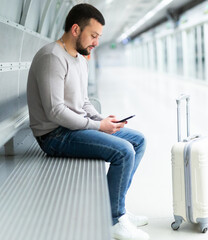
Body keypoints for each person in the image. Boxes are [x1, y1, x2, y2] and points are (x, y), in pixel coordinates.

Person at [26, 4, 149, 240]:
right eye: (93, 36)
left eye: (98, 37)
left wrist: (104, 119)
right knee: (123, 151)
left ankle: (117, 207)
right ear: (75, 29)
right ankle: (113, 219)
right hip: (54, 136)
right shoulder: (52, 57)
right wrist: (97, 126)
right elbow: (55, 112)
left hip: (74, 128)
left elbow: (83, 102)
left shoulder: (80, 60)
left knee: (138, 141)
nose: (96, 42)